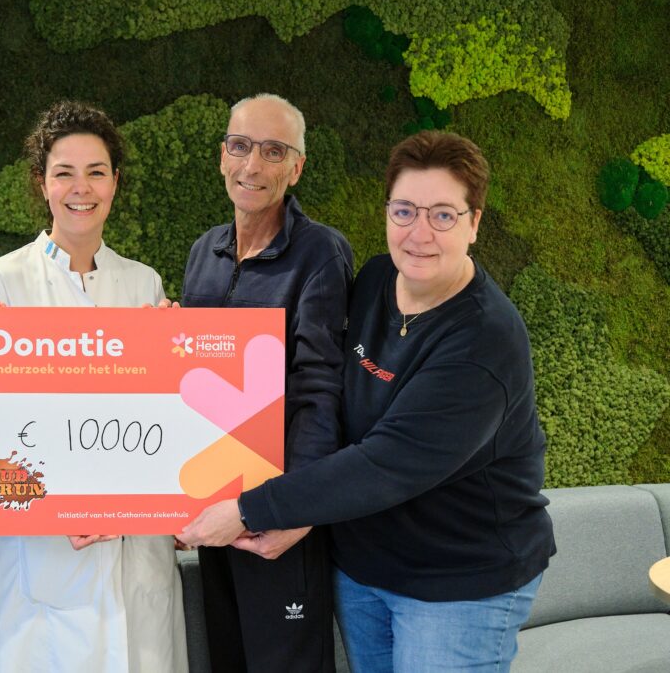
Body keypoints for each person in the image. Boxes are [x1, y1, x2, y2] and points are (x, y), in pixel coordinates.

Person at [180, 130, 557, 672]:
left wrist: (247, 509)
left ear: (475, 222)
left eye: (443, 215)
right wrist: (177, 343)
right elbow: (296, 365)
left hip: (456, 583)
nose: (419, 233)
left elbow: (384, 463)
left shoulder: (483, 341)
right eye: (404, 211)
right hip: (363, 570)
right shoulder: (378, 278)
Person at [0, 100, 188, 673]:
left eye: (96, 172)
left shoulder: (144, 285)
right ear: (41, 184)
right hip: (41, 554)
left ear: (115, 181)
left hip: (134, 555)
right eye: (64, 172)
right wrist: (62, 507)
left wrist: (181, 356)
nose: (80, 188)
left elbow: (161, 431)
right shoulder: (0, 282)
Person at [178, 93, 353, 672]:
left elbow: (319, 388)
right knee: (227, 659)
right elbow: (188, 382)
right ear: (222, 155)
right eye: (241, 146)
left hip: (277, 517)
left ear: (296, 167)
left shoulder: (321, 253)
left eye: (273, 151)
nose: (252, 166)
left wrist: (292, 509)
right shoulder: (204, 251)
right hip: (215, 510)